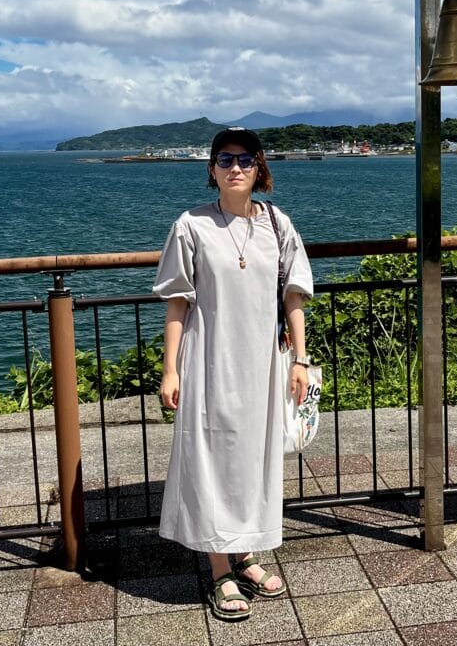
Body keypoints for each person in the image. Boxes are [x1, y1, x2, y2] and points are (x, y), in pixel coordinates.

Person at [154, 126, 314, 622]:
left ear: (259, 167)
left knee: (253, 461)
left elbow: (294, 294)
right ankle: (219, 567)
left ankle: (245, 554)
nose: (235, 167)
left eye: (245, 159)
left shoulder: (277, 224)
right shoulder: (191, 225)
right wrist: (170, 369)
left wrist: (300, 359)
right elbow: (178, 300)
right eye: (225, 159)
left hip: (263, 365)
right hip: (208, 362)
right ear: (211, 169)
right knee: (213, 460)